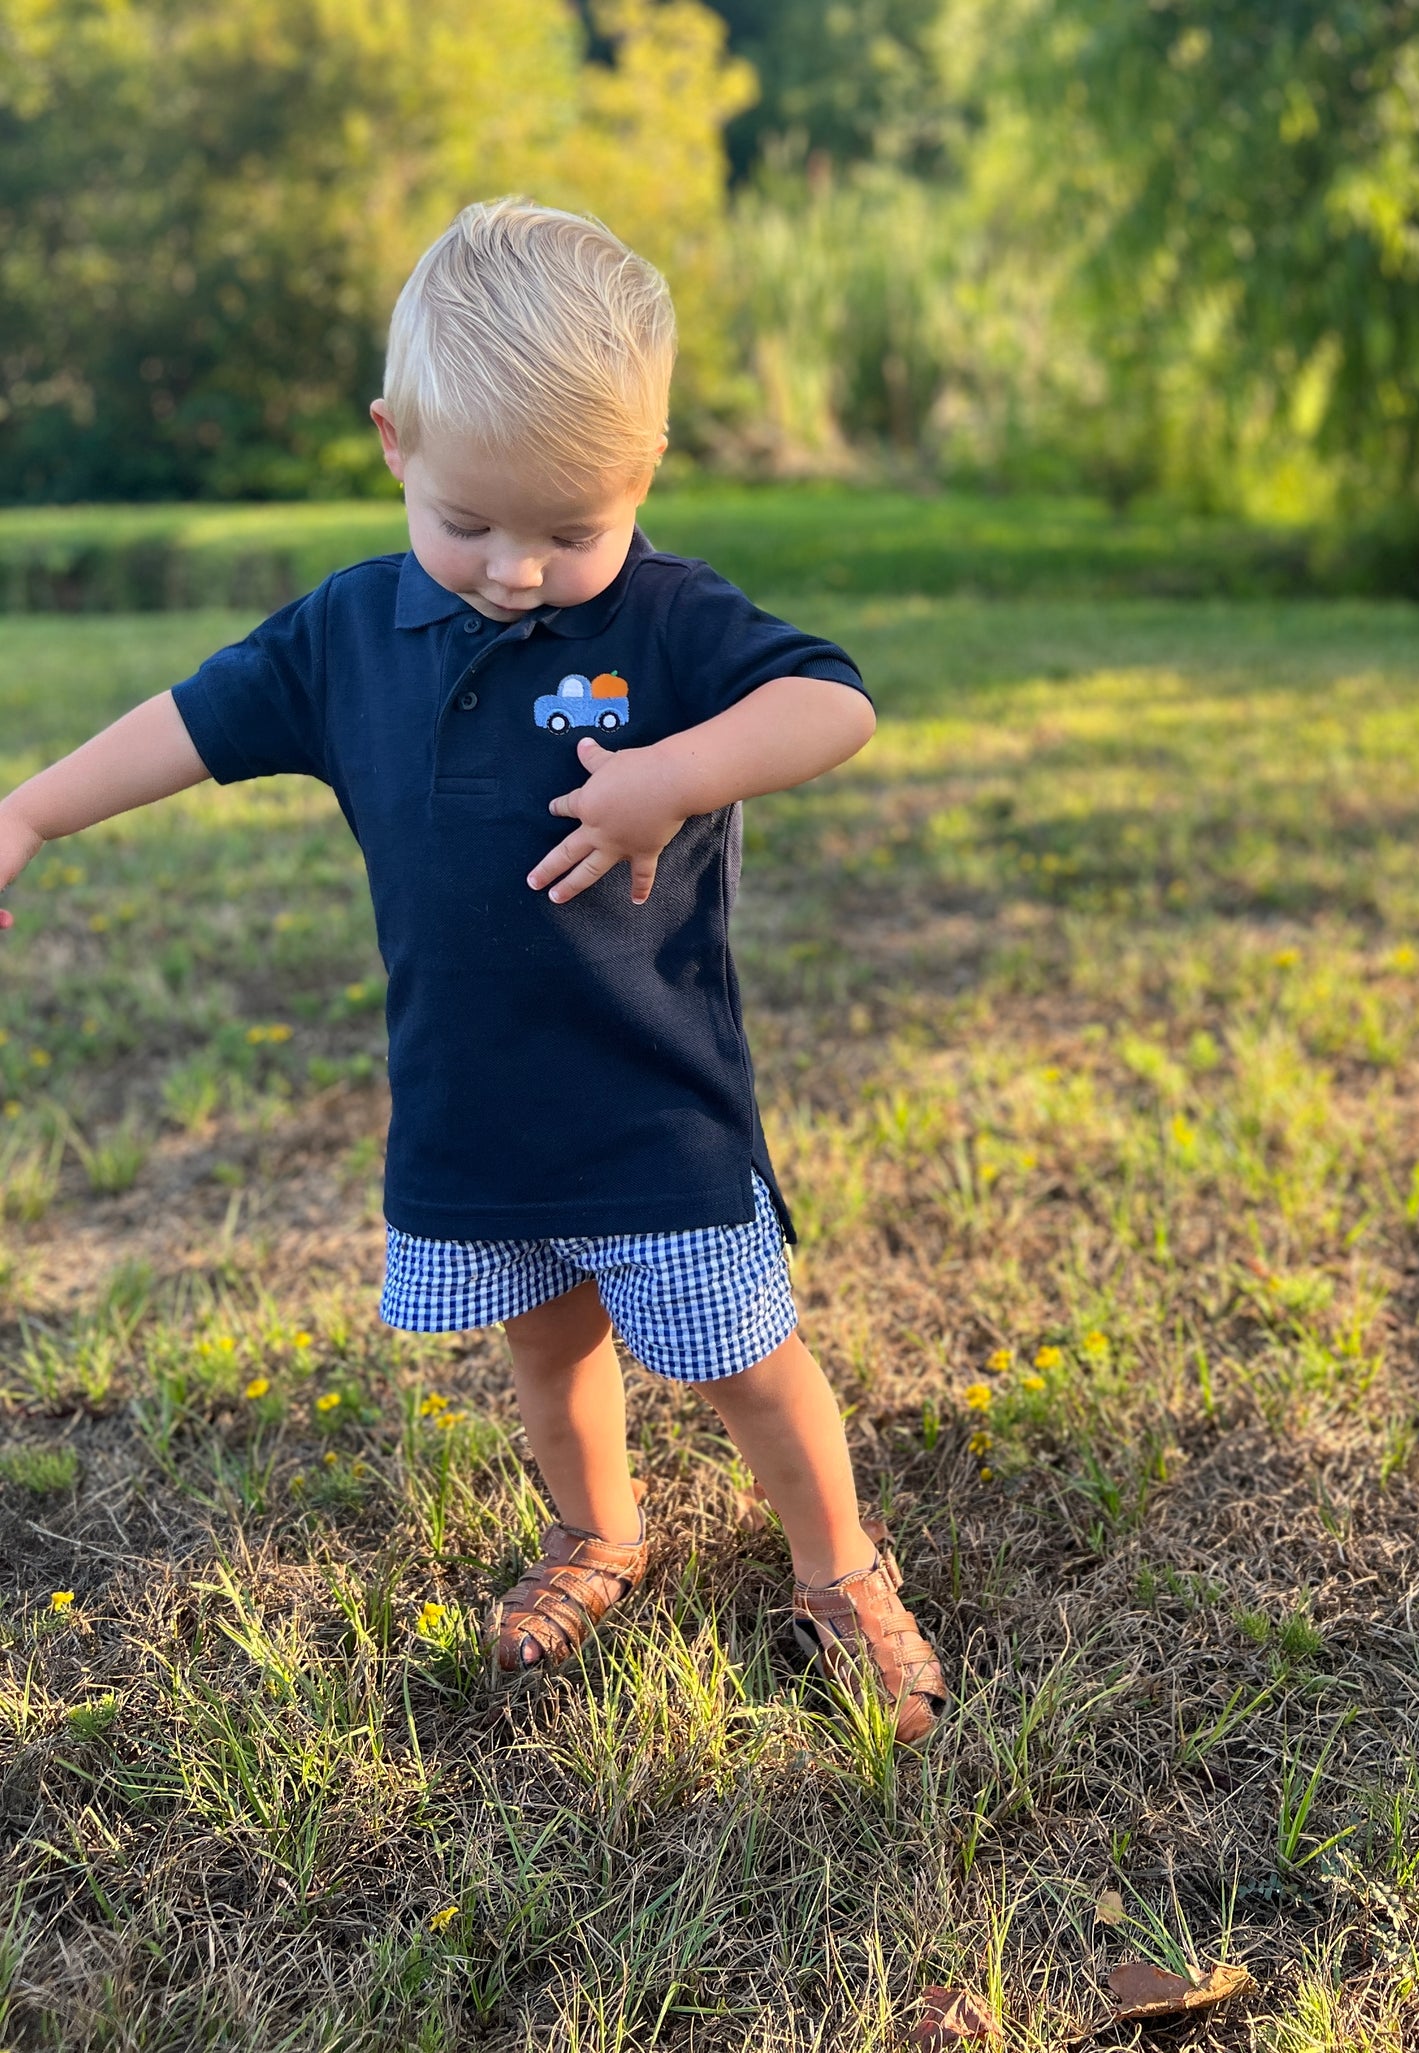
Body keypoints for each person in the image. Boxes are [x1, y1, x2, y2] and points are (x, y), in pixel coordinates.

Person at [0, 199, 948, 1743]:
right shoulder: (347, 634)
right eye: (471, 525)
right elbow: (186, 721)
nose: (515, 568)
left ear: (641, 478)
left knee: (747, 1362)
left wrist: (675, 774)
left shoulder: (667, 619)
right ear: (393, 445)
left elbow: (831, 708)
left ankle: (839, 1567)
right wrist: (29, 809)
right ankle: (599, 1531)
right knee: (545, 1338)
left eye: (570, 529)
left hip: (655, 1108)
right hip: (471, 1101)